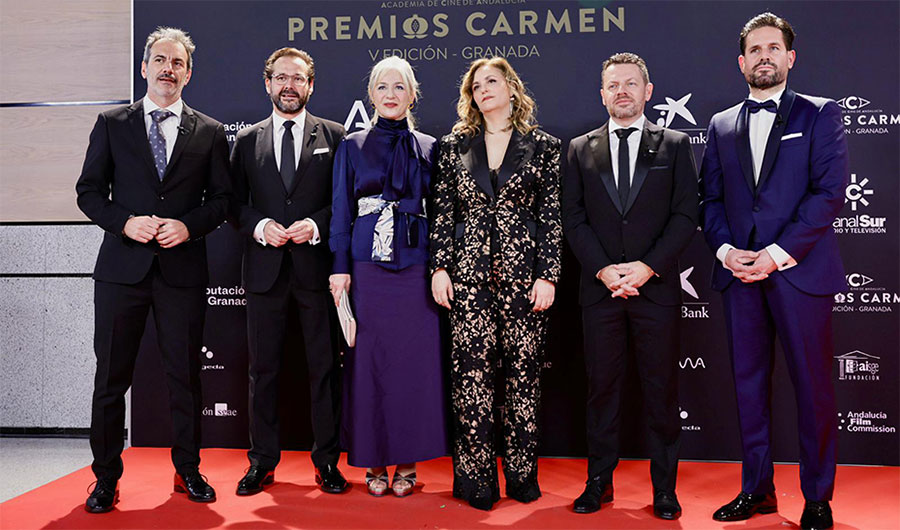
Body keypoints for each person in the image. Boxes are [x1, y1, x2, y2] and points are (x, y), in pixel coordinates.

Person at [700, 13, 848, 530]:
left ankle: (817, 497)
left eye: (773, 48)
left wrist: (776, 253)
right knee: (748, 388)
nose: (764, 56)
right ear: (741, 62)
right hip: (739, 277)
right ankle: (757, 489)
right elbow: (711, 199)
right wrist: (726, 252)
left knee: (813, 388)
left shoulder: (821, 114)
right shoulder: (720, 124)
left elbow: (828, 194)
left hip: (800, 274)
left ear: (790, 57)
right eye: (755, 50)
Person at [75, 27, 230, 512]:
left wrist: (189, 226)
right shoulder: (111, 123)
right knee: (110, 380)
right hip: (121, 272)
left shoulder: (210, 131)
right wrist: (126, 222)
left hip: (182, 273)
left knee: (185, 377)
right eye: (160, 60)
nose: (168, 69)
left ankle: (188, 470)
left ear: (188, 73)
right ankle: (105, 478)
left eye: (177, 62)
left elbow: (222, 200)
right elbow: (88, 193)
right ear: (144, 68)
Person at [562, 52, 698, 520]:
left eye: (631, 83)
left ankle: (665, 490)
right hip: (599, 292)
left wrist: (647, 268)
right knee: (601, 392)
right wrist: (604, 270)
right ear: (602, 94)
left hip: (654, 291)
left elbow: (686, 215)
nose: (622, 91)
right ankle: (599, 483)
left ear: (648, 91)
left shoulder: (675, 144)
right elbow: (573, 218)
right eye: (613, 85)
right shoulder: (579, 149)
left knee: (661, 393)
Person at [430, 57, 562, 511]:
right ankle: (476, 481)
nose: (483, 89)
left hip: (525, 280)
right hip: (467, 280)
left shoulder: (543, 146)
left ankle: (522, 478)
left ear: (511, 88)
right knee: (471, 382)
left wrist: (548, 274)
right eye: (476, 85)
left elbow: (551, 217)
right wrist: (440, 268)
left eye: (492, 81)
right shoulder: (453, 146)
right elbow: (443, 212)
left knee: (524, 380)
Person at [230, 47, 348, 496]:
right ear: (268, 84)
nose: (289, 86)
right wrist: (260, 226)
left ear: (311, 85)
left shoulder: (335, 136)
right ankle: (262, 461)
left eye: (298, 78)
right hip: (264, 273)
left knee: (324, 370)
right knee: (263, 372)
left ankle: (327, 462)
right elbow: (231, 204)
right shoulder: (246, 141)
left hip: (317, 273)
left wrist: (316, 225)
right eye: (281, 78)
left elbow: (344, 202)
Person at [329, 56, 447, 498]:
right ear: (371, 95)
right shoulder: (352, 146)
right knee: (370, 364)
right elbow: (341, 211)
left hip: (416, 267)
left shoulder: (431, 147)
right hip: (366, 268)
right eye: (382, 87)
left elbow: (443, 212)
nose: (391, 94)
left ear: (412, 95)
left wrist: (440, 267)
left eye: (400, 87)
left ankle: (408, 462)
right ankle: (373, 461)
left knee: (412, 366)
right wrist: (339, 269)